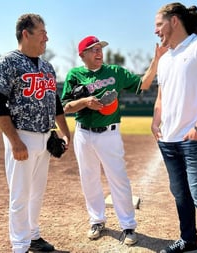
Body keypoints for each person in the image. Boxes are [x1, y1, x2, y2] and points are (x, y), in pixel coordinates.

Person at [61, 35, 165, 246]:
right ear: (82, 55)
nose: (99, 52)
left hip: (109, 134)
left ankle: (128, 226)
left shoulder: (115, 72)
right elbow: (65, 107)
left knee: (118, 179)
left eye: (100, 49)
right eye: (93, 50)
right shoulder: (74, 74)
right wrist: (85, 102)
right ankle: (97, 221)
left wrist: (156, 60)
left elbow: (143, 84)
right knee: (88, 179)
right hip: (84, 134)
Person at [0, 13, 71, 253]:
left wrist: (65, 133)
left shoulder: (47, 67)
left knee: (37, 193)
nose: (47, 37)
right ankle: (20, 246)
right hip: (21, 135)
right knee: (20, 195)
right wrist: (15, 141)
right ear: (26, 33)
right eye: (42, 32)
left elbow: (54, 103)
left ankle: (33, 236)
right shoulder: (7, 62)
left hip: (46, 137)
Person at [150, 3, 197, 253]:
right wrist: (155, 120)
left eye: (158, 24)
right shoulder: (165, 59)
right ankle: (189, 240)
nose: (156, 31)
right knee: (180, 195)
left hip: (196, 139)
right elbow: (161, 96)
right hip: (169, 141)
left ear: (174, 21)